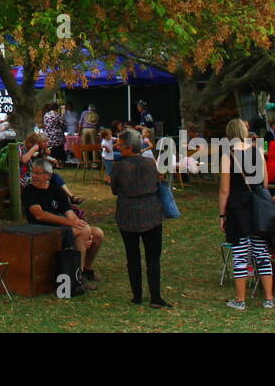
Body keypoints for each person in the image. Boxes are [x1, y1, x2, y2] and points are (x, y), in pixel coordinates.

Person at [109, 129, 170, 308]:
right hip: (151, 212)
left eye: (120, 145)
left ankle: (137, 295)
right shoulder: (150, 163)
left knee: (132, 255)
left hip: (127, 213)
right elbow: (157, 183)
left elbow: (114, 189)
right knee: (153, 257)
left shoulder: (119, 166)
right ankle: (156, 296)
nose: (118, 147)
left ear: (128, 148)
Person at [218, 118, 274, 310]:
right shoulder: (258, 151)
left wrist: (221, 215)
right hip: (257, 205)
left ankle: (240, 299)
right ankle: (268, 298)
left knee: (240, 253)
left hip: (237, 207)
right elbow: (265, 183)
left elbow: (225, 190)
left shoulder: (228, 155)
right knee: (262, 252)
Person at [22, 158, 104, 285]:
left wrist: (85, 227)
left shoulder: (56, 190)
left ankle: (87, 269)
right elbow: (39, 215)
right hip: (42, 229)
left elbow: (70, 214)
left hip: (62, 227)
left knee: (97, 233)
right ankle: (78, 276)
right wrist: (70, 223)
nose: (34, 176)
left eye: (38, 173)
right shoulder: (28, 191)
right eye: (33, 172)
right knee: (81, 233)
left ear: (48, 176)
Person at [79, 105, 100, 169]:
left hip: (84, 130)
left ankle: (86, 164)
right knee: (94, 147)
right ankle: (95, 164)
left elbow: (80, 123)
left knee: (84, 147)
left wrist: (79, 131)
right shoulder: (95, 115)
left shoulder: (84, 113)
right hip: (93, 130)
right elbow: (97, 125)